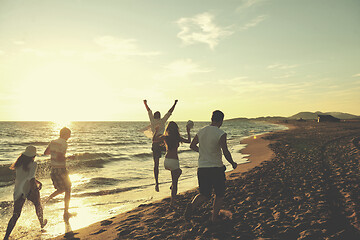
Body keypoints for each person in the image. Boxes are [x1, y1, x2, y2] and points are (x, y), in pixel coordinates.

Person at [185, 110, 237, 222]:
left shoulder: (201, 131)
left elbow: (192, 146)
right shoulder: (221, 133)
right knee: (219, 194)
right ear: (221, 120)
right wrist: (232, 163)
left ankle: (192, 206)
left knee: (204, 194)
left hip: (202, 168)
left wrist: (203, 152)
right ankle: (214, 218)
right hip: (216, 168)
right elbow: (225, 151)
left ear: (211, 118)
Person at [4, 146, 47, 240]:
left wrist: (37, 181)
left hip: (18, 189)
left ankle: (6, 236)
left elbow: (25, 177)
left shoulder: (18, 164)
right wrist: (34, 190)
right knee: (38, 205)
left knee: (16, 215)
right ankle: (42, 224)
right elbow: (30, 178)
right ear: (34, 155)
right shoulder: (33, 163)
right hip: (28, 188)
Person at [153, 121, 191, 206]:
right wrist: (188, 131)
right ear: (176, 129)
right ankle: (172, 202)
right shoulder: (178, 138)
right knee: (175, 183)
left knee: (179, 172)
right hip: (174, 161)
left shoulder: (165, 137)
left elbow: (154, 139)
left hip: (166, 161)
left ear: (168, 129)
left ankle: (172, 186)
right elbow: (189, 141)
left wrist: (156, 130)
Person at [143, 99, 178, 192]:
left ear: (154, 116)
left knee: (156, 164)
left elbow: (148, 111)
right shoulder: (163, 121)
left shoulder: (152, 120)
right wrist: (174, 103)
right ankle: (173, 182)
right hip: (163, 142)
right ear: (160, 116)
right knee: (170, 159)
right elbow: (169, 112)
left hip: (155, 143)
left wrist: (145, 103)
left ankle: (156, 183)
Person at [43, 127, 74, 220]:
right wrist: (69, 158)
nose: (69, 136)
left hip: (53, 169)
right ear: (64, 134)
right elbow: (60, 158)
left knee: (61, 189)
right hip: (61, 169)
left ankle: (46, 200)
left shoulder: (53, 142)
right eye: (69, 134)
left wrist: (54, 152)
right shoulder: (64, 143)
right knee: (68, 189)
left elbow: (46, 152)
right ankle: (66, 213)